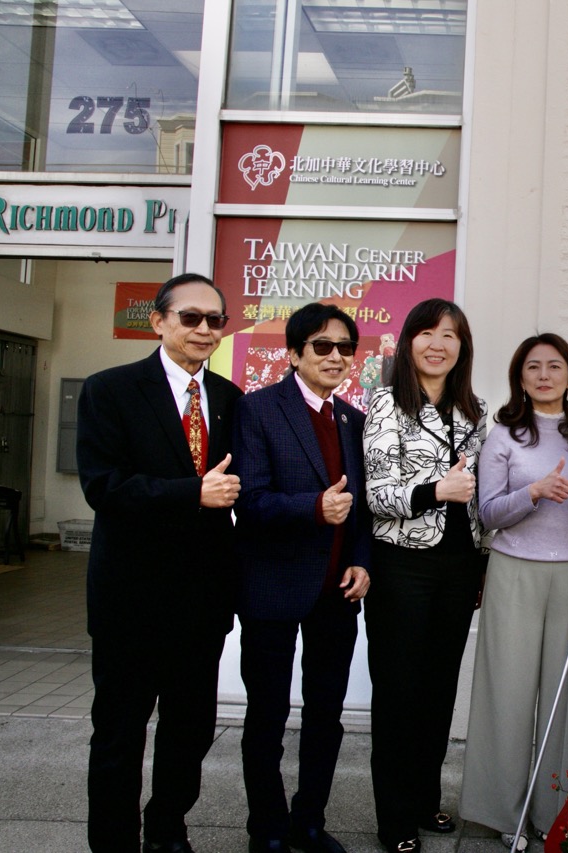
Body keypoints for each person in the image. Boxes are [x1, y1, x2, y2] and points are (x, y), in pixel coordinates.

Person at [77, 272, 243, 853]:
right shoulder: (110, 390)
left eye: (215, 320)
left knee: (189, 731)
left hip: (202, 602)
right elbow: (103, 487)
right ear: (159, 321)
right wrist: (192, 493)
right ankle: (115, 842)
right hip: (131, 598)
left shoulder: (229, 398)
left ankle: (168, 829)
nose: (204, 329)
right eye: (190, 317)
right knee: (119, 733)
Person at [232, 303, 373, 853]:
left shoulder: (353, 420)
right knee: (266, 716)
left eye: (345, 347)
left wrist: (361, 559)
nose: (335, 356)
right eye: (322, 346)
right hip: (272, 586)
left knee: (326, 716)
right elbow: (251, 500)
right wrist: (313, 507)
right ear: (294, 354)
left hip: (337, 592)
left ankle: (308, 822)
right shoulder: (258, 409)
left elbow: (360, 510)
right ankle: (266, 828)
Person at [461, 334, 568, 849]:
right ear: (519, 377)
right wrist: (533, 492)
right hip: (514, 571)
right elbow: (487, 513)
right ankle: (503, 813)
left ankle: (558, 809)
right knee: (508, 696)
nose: (544, 375)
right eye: (533, 367)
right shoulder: (504, 435)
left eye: (554, 366)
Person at [362, 298, 488, 853]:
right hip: (402, 566)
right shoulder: (385, 403)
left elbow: (480, 497)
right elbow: (377, 495)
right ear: (409, 340)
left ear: (463, 347)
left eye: (450, 335)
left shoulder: (475, 411)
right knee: (398, 692)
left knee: (438, 690)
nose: (438, 344)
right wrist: (437, 490)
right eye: (428, 333)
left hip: (460, 567)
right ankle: (394, 819)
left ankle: (422, 799)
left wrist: (484, 560)